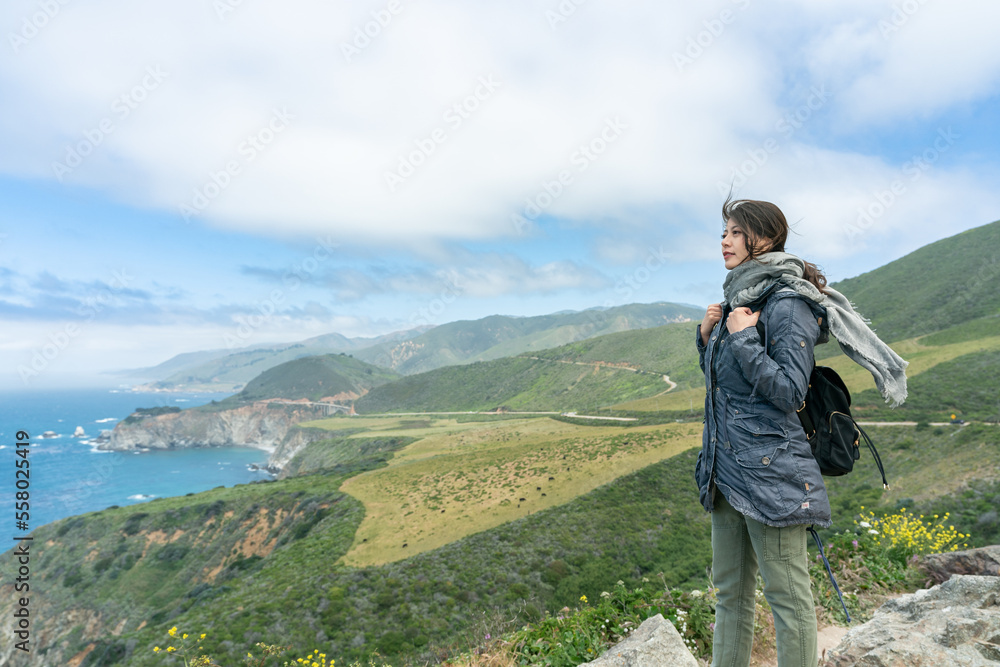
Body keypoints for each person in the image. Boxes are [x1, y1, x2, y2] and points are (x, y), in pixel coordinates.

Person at [694, 197, 908, 667]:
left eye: (734, 232)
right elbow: (732, 390)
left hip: (773, 478)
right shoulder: (740, 299)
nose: (724, 241)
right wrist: (708, 338)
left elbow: (789, 391)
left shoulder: (789, 304)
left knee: (787, 599)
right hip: (726, 472)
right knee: (730, 595)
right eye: (723, 232)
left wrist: (744, 337)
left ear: (764, 239)